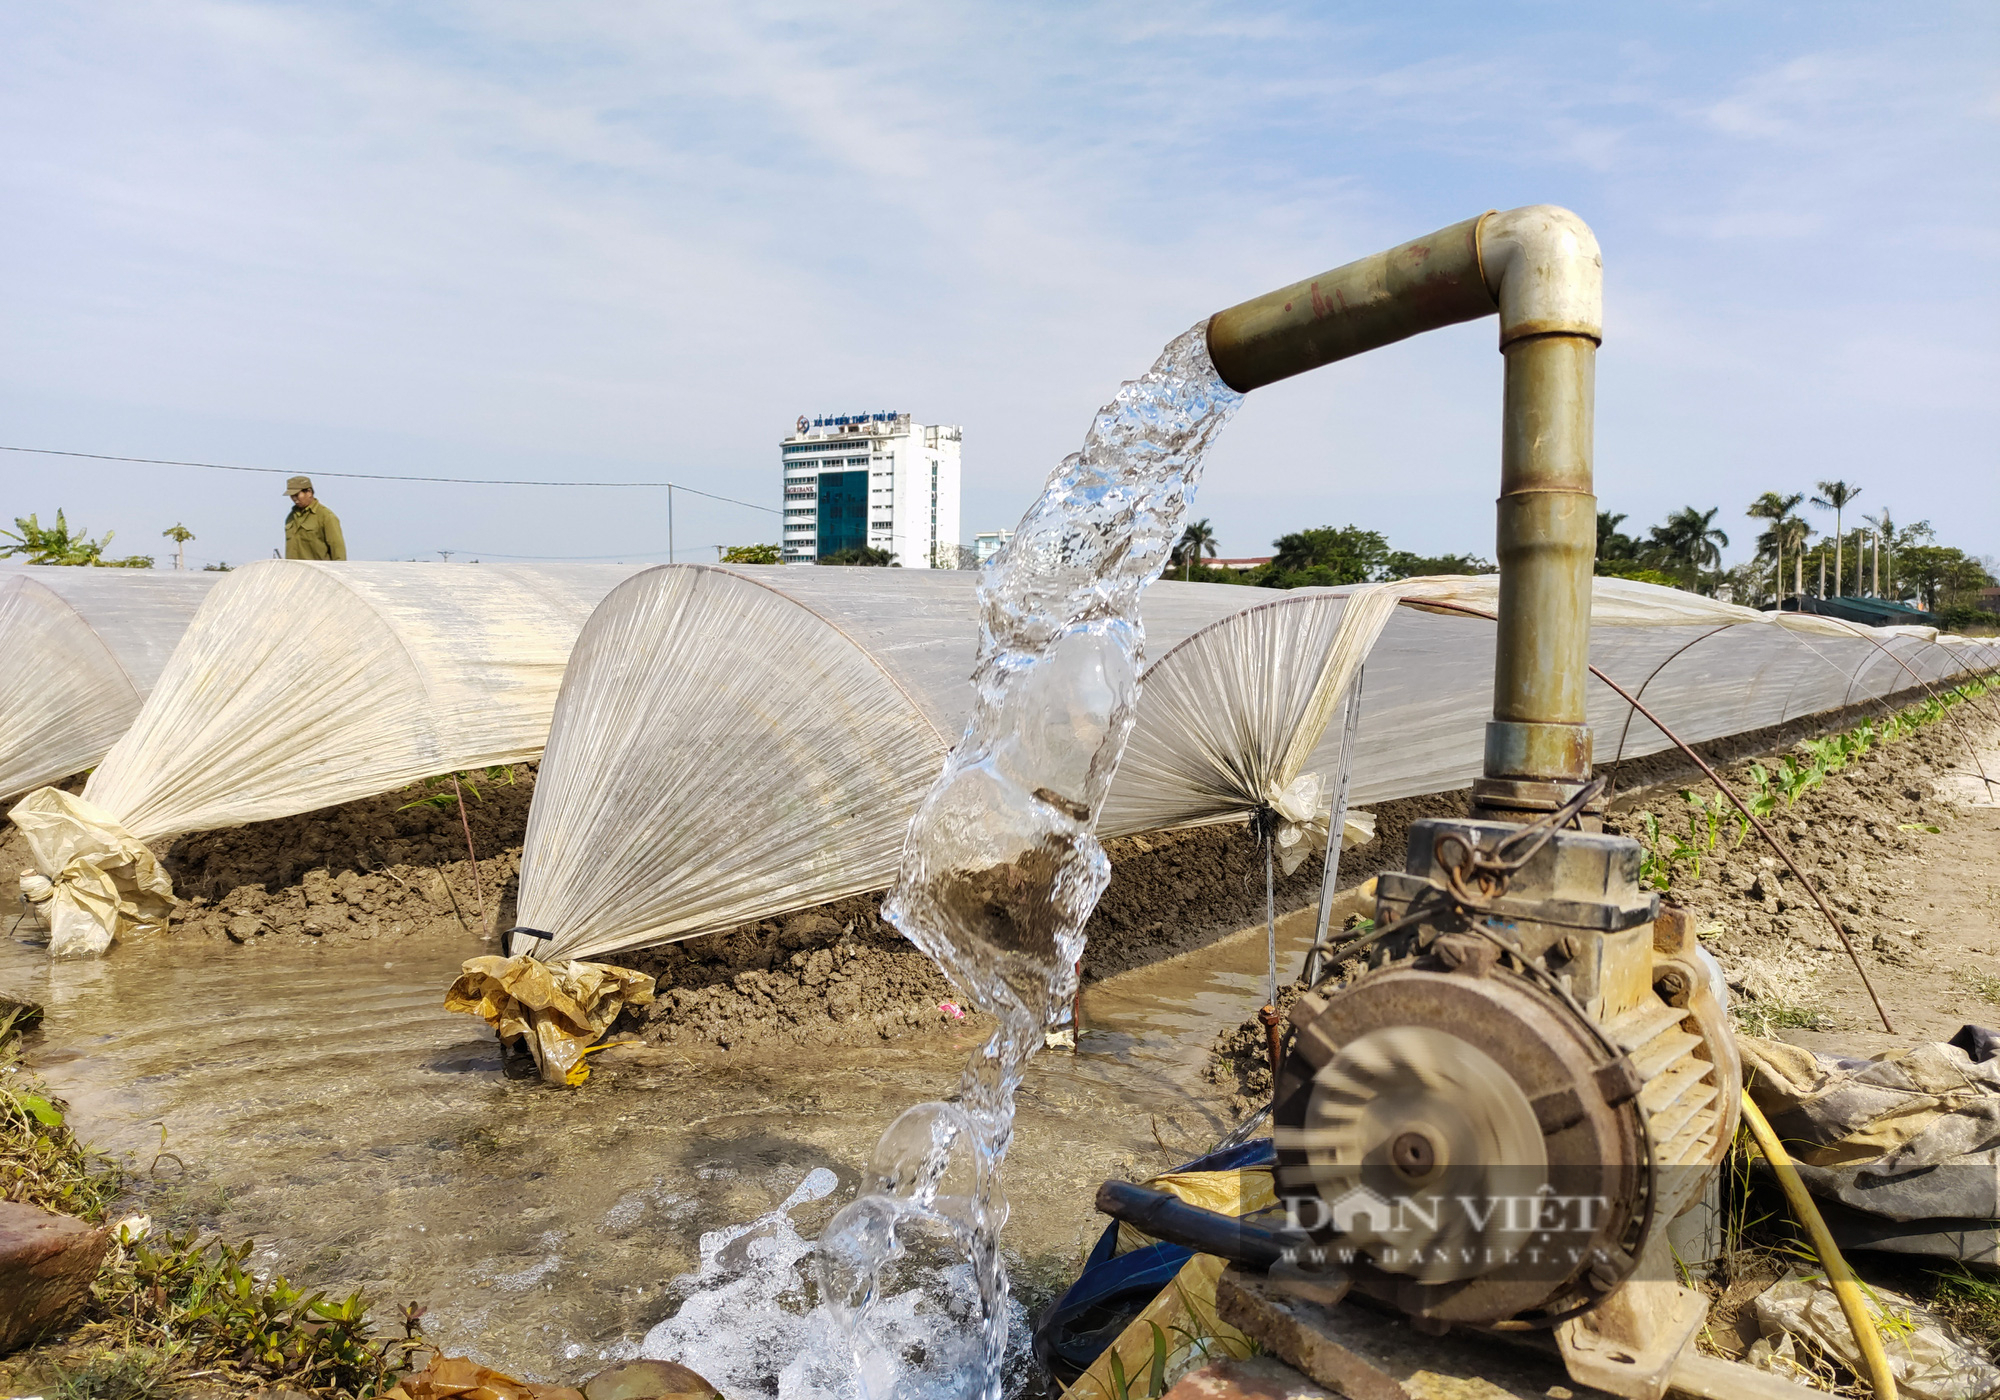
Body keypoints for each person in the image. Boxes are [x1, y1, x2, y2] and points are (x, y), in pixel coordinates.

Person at [283, 476, 347, 561]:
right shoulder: (291, 517)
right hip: (294, 572)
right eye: (291, 495)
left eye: (296, 495)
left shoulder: (326, 516)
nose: (294, 498)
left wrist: (338, 572)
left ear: (309, 492)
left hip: (318, 572)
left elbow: (338, 550)